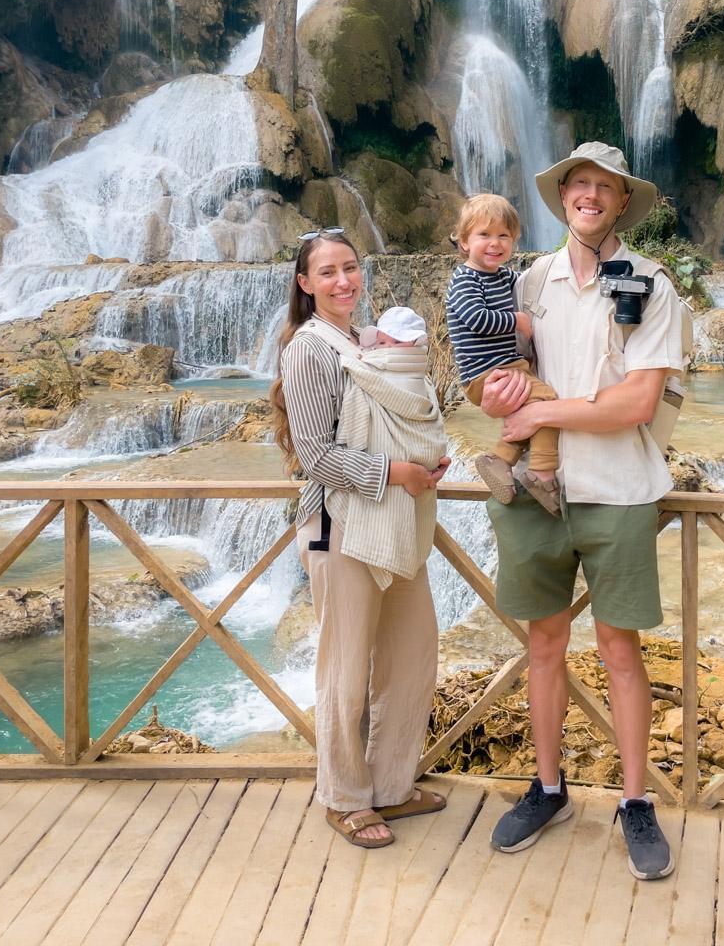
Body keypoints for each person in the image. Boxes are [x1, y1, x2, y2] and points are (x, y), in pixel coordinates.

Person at [478, 143, 692, 881]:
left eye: (605, 187)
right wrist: (498, 400)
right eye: (579, 185)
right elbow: (493, 375)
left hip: (619, 491)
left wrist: (547, 416)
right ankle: (548, 788)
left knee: (620, 652)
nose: (590, 196)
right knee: (541, 647)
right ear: (563, 195)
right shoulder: (530, 279)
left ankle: (636, 803)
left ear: (621, 202)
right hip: (539, 495)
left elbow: (636, 402)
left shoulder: (651, 284)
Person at [271, 229, 451, 849]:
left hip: (392, 519)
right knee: (345, 666)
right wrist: (394, 473)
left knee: (411, 655)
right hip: (333, 525)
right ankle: (345, 798)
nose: (343, 281)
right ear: (305, 284)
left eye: (350, 268)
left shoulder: (369, 341)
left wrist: (422, 461)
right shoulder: (310, 351)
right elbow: (315, 456)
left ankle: (391, 786)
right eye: (328, 273)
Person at [445, 193, 561, 514]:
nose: (495, 243)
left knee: (532, 411)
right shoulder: (465, 280)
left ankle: (499, 460)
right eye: (484, 235)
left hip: (504, 368)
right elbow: (477, 320)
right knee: (548, 402)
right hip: (486, 374)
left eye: (503, 236)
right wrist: (517, 320)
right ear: (465, 241)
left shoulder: (501, 276)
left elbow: (529, 281)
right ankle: (541, 471)